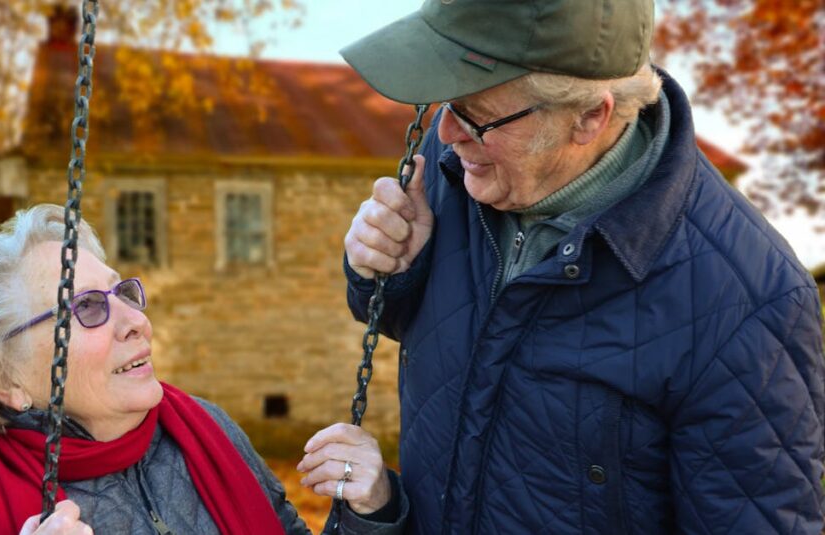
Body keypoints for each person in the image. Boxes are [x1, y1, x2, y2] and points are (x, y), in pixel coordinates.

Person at [340, 0, 825, 533]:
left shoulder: (748, 299)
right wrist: (385, 270)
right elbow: (412, 323)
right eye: (443, 105)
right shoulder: (462, 160)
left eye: (476, 117)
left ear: (590, 116)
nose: (449, 134)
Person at [0, 204, 407, 534]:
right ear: (6, 380)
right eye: (87, 307)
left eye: (123, 293)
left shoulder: (205, 432)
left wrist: (371, 512)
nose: (135, 320)